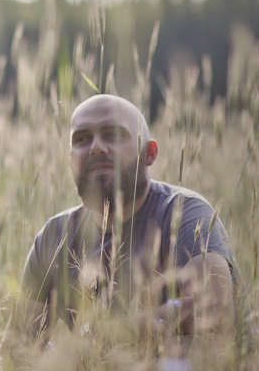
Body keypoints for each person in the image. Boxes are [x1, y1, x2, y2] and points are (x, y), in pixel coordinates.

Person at [14, 93, 244, 349]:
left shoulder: (185, 213)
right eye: (82, 139)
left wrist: (102, 337)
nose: (96, 147)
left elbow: (214, 309)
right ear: (71, 161)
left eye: (113, 135)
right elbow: (16, 348)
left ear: (149, 153)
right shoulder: (54, 237)